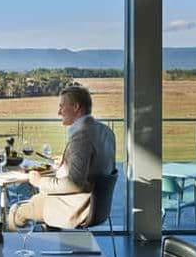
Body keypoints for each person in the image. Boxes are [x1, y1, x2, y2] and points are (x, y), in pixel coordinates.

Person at [8, 85, 116, 229]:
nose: (59, 112)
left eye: (62, 106)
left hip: (75, 207)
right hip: (99, 207)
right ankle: (49, 243)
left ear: (76, 107)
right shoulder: (106, 131)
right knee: (36, 199)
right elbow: (97, 166)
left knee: (15, 211)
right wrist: (68, 162)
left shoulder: (81, 136)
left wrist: (40, 181)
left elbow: (74, 184)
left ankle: (14, 250)